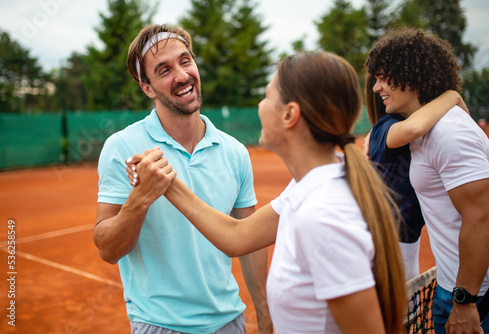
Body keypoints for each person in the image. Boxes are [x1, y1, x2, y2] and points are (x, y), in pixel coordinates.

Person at [127, 51, 407, 333]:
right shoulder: (310, 186)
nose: (260, 105)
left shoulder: (322, 215)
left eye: (267, 95)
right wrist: (167, 182)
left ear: (289, 114)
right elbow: (237, 236)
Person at [93, 24, 272, 334]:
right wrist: (141, 197)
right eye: (163, 70)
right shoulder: (122, 146)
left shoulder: (235, 151)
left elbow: (251, 241)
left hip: (231, 322)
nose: (181, 75)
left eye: (185, 61)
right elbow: (107, 249)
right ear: (147, 87)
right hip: (159, 325)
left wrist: (266, 315)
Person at [365, 27, 489, 334]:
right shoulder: (419, 130)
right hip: (454, 288)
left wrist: (466, 300)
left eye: (384, 77)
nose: (377, 87)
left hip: (480, 295)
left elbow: (480, 219)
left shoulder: (449, 133)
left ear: (411, 77)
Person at [364, 73, 468, 281]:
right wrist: (452, 96)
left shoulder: (412, 126)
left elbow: (465, 124)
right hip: (386, 245)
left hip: (403, 242)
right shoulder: (386, 127)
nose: (378, 87)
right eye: (377, 80)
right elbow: (413, 128)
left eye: (384, 78)